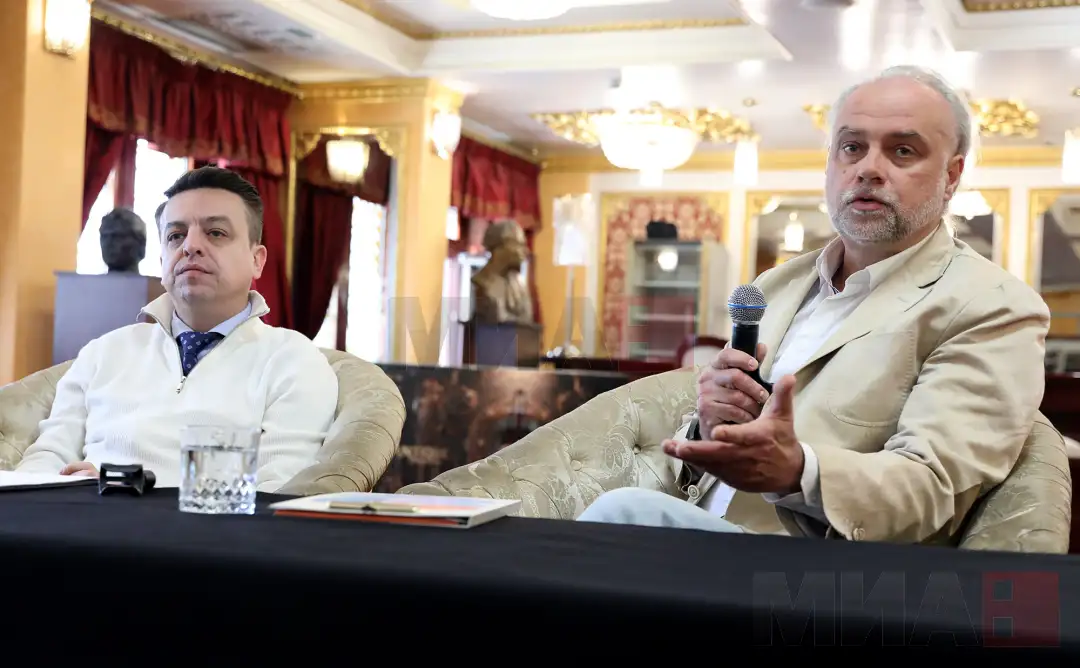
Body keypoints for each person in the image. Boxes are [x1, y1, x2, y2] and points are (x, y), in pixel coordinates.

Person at [578, 65, 1051, 545]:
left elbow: (932, 486)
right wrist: (710, 424)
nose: (868, 168)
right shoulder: (777, 284)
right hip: (698, 533)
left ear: (951, 176)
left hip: (820, 572)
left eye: (902, 151)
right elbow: (706, 455)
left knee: (620, 513)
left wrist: (798, 472)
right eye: (852, 147)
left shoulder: (993, 306)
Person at [16, 167, 338, 491]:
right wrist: (68, 490)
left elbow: (277, 492)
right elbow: (43, 461)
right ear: (162, 260)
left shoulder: (292, 360)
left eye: (216, 233)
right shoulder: (103, 353)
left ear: (257, 260)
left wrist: (121, 488)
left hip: (203, 524)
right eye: (175, 236)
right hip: (75, 519)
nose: (190, 246)